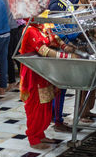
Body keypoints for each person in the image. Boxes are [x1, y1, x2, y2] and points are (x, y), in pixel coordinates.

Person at [20, 21, 78, 149]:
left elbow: (55, 39)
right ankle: (33, 138)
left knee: (45, 103)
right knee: (35, 105)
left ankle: (40, 134)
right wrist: (67, 56)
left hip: (44, 70)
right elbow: (43, 50)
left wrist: (66, 47)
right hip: (33, 73)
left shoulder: (44, 26)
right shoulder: (30, 30)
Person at [48, 0, 76, 132]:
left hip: (66, 45)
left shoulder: (64, 3)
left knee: (61, 85)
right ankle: (56, 119)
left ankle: (56, 115)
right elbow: (57, 28)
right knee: (60, 85)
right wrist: (66, 41)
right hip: (61, 48)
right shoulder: (56, 5)